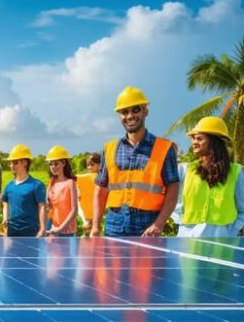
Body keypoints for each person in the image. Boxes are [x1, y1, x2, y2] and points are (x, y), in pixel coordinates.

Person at [91, 87, 179, 237]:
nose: (130, 116)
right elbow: (100, 189)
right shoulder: (109, 148)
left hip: (148, 223)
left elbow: (173, 187)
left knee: (145, 261)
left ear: (145, 111)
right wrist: (95, 226)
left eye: (135, 110)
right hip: (115, 223)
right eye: (124, 112)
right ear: (120, 116)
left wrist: (159, 223)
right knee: (114, 261)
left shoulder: (165, 148)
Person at [177, 116, 244, 237]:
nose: (194, 142)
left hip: (223, 244)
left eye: (199, 139)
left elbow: (243, 209)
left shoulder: (236, 172)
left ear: (214, 142)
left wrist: (232, 231)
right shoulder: (185, 170)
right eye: (193, 138)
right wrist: (182, 227)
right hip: (189, 243)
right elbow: (175, 203)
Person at [1, 144, 46, 237]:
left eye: (15, 162)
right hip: (12, 231)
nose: (11, 165)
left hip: (30, 231)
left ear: (25, 162)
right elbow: (5, 201)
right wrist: (5, 217)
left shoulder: (37, 185)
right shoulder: (9, 186)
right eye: (10, 163)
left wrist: (42, 228)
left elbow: (42, 207)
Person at [45, 145, 78, 237]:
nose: (53, 167)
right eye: (51, 164)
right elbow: (49, 208)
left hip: (67, 232)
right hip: (53, 230)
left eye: (56, 164)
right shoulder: (51, 183)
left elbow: (74, 210)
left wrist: (60, 229)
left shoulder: (70, 183)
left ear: (64, 163)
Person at [76, 153, 101, 233]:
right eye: (88, 165)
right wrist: (77, 190)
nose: (89, 167)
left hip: (96, 214)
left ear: (100, 165)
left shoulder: (99, 177)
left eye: (92, 164)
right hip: (86, 213)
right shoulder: (85, 177)